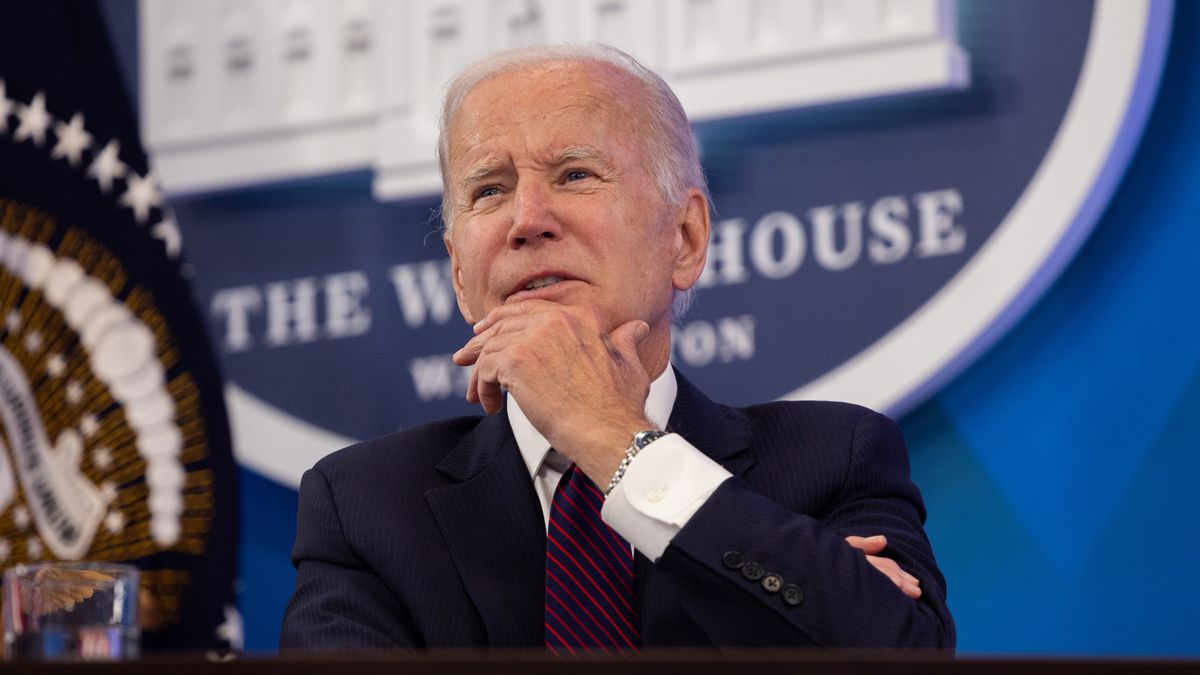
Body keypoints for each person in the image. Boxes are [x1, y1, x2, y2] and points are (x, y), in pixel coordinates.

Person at [280, 43, 954, 651]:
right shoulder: (369, 505)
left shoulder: (831, 459)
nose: (527, 220)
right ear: (460, 275)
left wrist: (609, 437)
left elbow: (898, 653)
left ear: (684, 239)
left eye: (575, 174)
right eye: (490, 189)